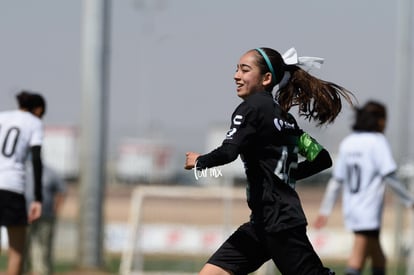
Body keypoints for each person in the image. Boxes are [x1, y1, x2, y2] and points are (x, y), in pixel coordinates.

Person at [184, 47, 355, 275]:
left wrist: (199, 161)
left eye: (245, 70)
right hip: (262, 224)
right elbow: (321, 159)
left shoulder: (251, 109)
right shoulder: (286, 120)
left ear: (266, 79)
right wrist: (288, 174)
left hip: (279, 224)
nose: (236, 75)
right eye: (236, 69)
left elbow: (229, 152)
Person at [314, 101, 414, 275]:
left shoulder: (348, 142)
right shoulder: (377, 141)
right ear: (378, 120)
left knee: (378, 257)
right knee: (357, 258)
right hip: (368, 210)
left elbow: (336, 181)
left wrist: (325, 210)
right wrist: (409, 201)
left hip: (352, 209)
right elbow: (389, 175)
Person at [0, 91, 46, 275]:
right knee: (17, 252)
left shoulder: (2, 117)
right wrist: (38, 198)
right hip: (12, 186)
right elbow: (36, 159)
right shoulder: (35, 123)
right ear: (39, 110)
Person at [24, 164, 66, 275]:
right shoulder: (22, 171)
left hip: (46, 216)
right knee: (22, 247)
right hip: (24, 217)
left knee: (43, 249)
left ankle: (43, 272)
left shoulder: (50, 173)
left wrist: (55, 211)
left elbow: (62, 191)